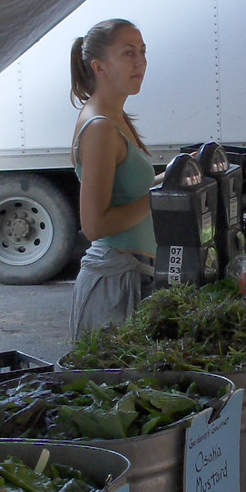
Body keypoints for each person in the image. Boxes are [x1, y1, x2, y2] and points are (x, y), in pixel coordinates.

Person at [68, 19, 160, 339]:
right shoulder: (100, 127)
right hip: (114, 282)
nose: (140, 62)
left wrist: (173, 179)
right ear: (99, 66)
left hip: (136, 275)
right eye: (127, 53)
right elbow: (94, 226)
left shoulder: (117, 117)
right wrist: (158, 196)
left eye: (143, 52)